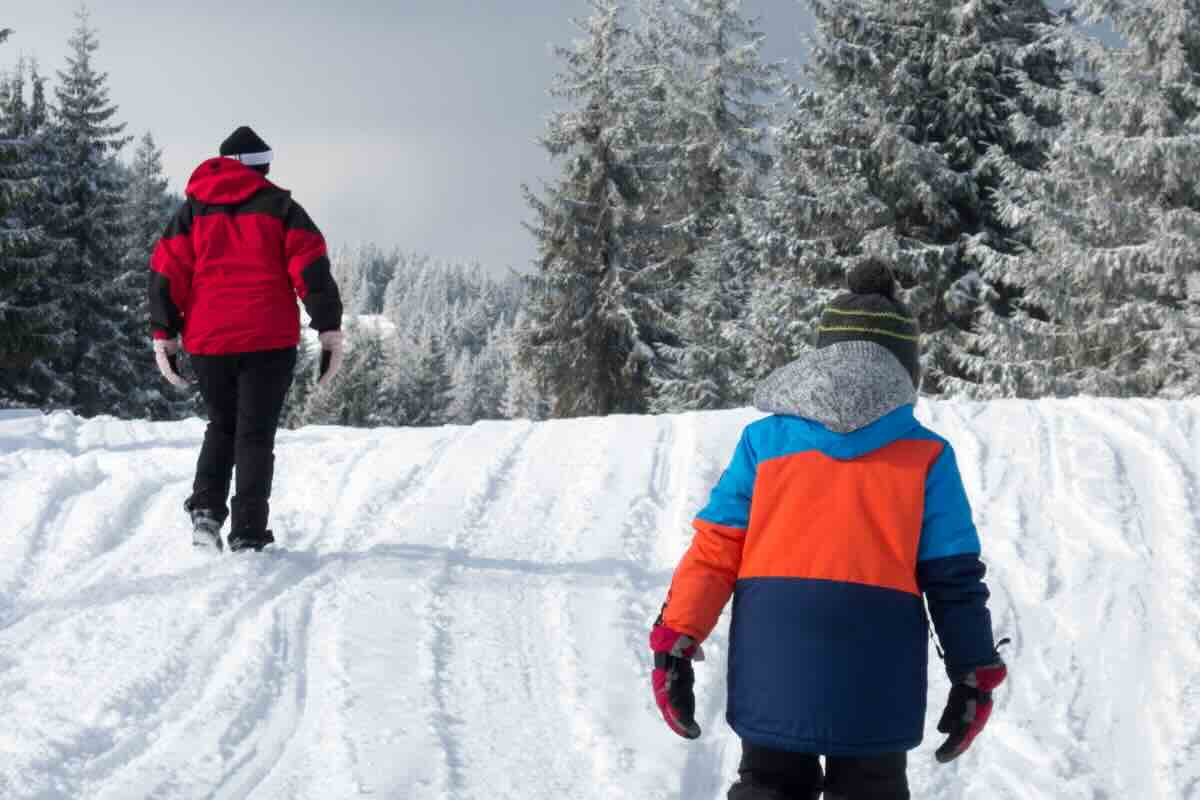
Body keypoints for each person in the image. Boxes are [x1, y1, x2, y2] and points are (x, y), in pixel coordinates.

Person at [648, 260, 1007, 800]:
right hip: (876, 673)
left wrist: (675, 641)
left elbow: (716, 548)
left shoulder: (764, 443)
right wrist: (973, 670)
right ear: (907, 371)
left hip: (775, 662)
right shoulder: (927, 457)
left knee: (768, 784)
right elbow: (952, 577)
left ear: (821, 358)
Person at [148, 125, 345, 552]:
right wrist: (328, 327)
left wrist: (164, 334)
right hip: (268, 340)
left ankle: (205, 511)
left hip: (209, 340)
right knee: (255, 434)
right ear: (261, 168)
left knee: (222, 424)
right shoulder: (281, 208)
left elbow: (166, 271)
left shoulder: (193, 211)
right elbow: (310, 268)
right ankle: (248, 533)